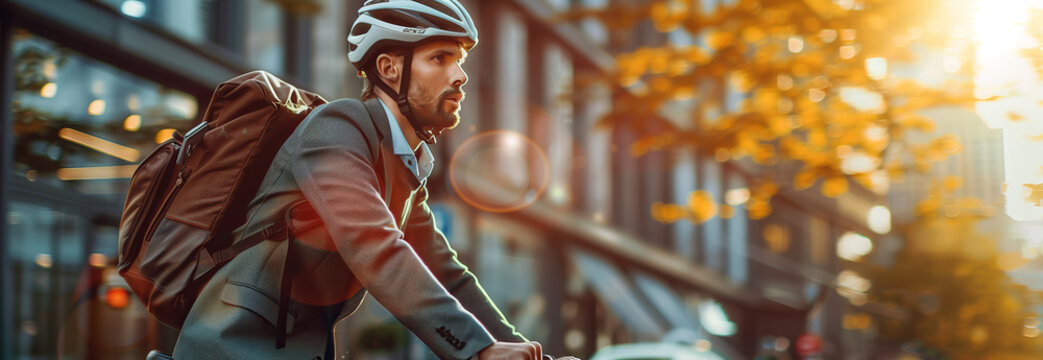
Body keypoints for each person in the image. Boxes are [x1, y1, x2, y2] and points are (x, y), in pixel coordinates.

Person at [172, 1, 567, 359]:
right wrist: (478, 351)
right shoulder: (336, 129)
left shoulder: (399, 165)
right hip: (231, 348)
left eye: (459, 61)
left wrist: (522, 352)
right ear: (389, 68)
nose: (461, 75)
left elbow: (447, 275)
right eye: (440, 58)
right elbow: (376, 248)